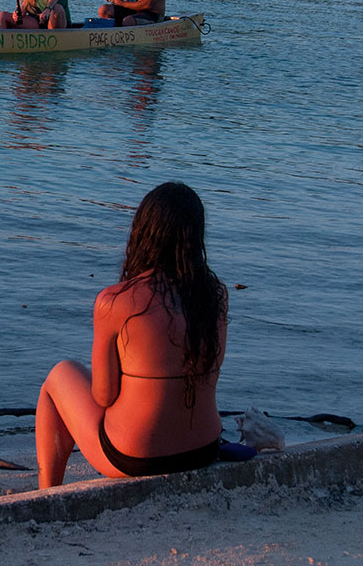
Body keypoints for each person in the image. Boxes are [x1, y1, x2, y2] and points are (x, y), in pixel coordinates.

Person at [34, 182, 227, 489]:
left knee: (60, 376)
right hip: (204, 449)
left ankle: (47, 494)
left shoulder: (116, 301)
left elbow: (103, 395)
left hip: (135, 457)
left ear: (143, 232)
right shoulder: (215, 296)